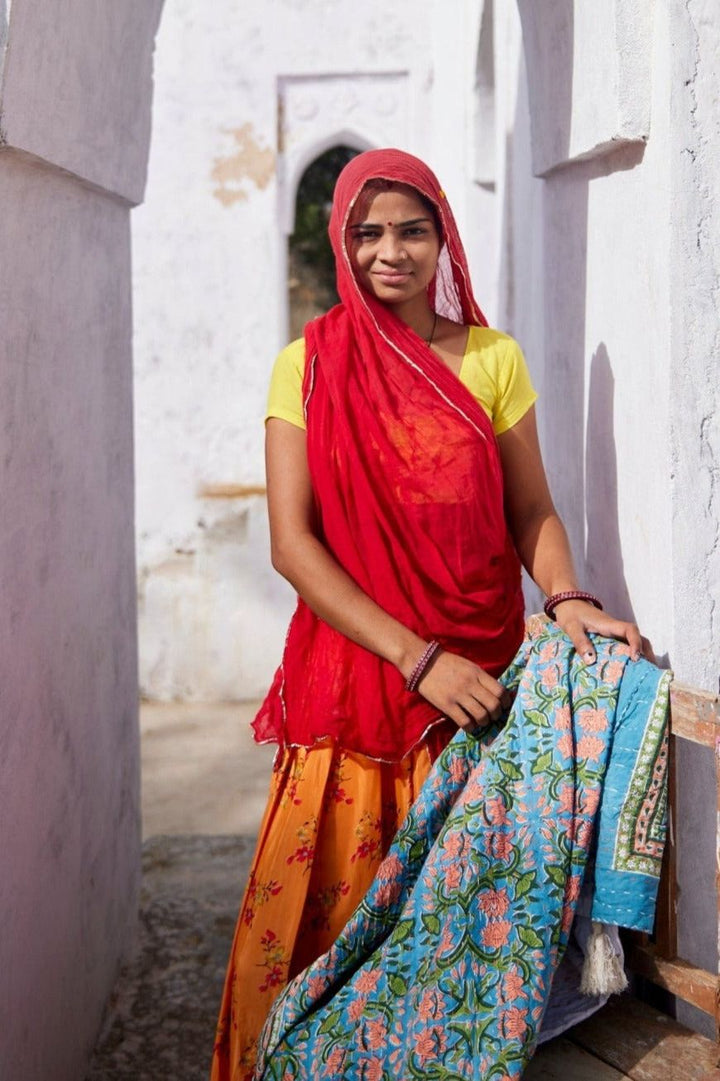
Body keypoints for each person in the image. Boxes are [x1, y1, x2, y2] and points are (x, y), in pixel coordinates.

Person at [210, 148, 648, 1081]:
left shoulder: (491, 358)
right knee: (325, 956)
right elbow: (293, 545)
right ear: (341, 241)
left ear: (442, 238)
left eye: (412, 230)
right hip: (360, 700)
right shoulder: (309, 364)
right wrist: (420, 660)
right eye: (367, 232)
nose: (390, 251)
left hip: (480, 701)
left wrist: (566, 595)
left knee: (455, 970)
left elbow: (531, 510)